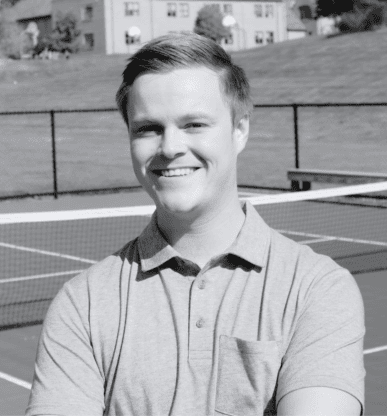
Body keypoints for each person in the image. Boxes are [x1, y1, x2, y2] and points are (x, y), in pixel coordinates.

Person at [26, 32, 365, 416]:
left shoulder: (317, 288)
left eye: (194, 124)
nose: (170, 148)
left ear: (240, 129)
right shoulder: (82, 305)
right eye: (147, 128)